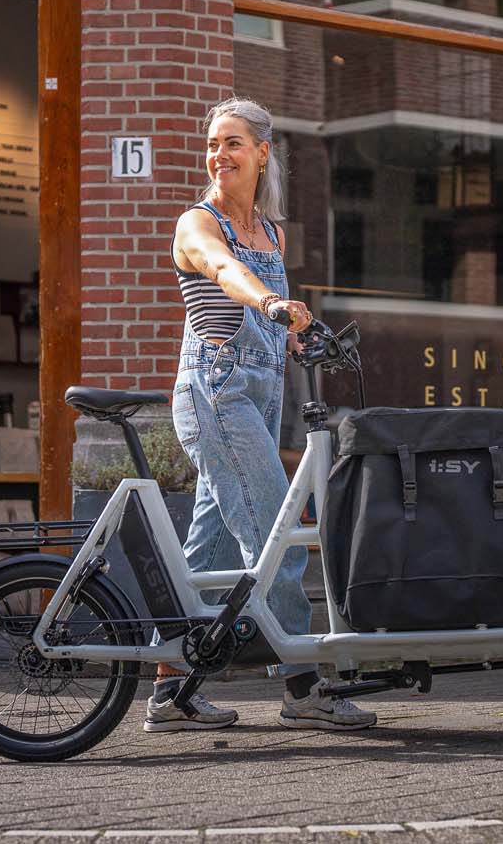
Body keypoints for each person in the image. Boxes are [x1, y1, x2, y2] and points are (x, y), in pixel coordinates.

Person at [144, 96, 376, 733]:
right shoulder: (199, 224)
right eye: (213, 144)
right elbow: (225, 273)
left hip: (260, 395)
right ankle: (303, 685)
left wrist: (299, 333)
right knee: (278, 530)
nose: (219, 155)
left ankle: (170, 692)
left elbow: (270, 317)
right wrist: (273, 301)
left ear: (263, 152)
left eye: (233, 143)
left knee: (210, 548)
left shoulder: (272, 233)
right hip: (214, 394)